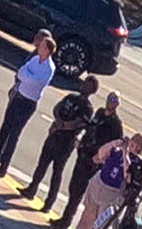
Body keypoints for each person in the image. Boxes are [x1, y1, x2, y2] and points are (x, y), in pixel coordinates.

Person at [0, 31, 58, 176]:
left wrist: (27, 76)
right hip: (19, 96)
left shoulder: (49, 68)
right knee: (6, 127)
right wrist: (27, 76)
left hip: (28, 103)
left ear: (47, 50)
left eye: (42, 46)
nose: (39, 47)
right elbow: (21, 72)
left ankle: (3, 166)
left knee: (14, 134)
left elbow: (36, 82)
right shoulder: (35, 59)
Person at [26, 80, 99, 211]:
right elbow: (57, 108)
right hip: (54, 135)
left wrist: (63, 126)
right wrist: (58, 121)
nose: (85, 86)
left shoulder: (87, 108)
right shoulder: (71, 97)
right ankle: (32, 188)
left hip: (66, 142)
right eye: (85, 84)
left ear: (93, 90)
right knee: (42, 164)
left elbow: (79, 123)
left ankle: (49, 203)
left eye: (89, 86)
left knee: (57, 172)